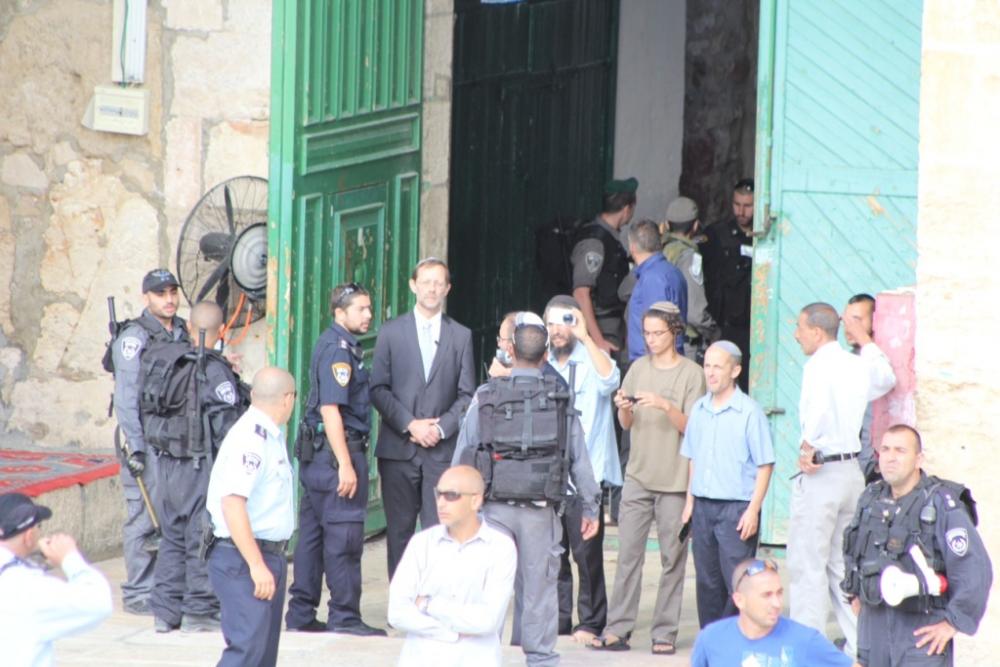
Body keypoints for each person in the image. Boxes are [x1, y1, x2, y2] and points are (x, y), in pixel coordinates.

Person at [453, 311, 601, 667]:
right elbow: (579, 460)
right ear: (545, 355)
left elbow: (463, 455)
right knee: (539, 587)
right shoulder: (560, 399)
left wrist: (455, 504)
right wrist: (591, 508)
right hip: (540, 510)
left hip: (492, 510)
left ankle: (478, 654)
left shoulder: (486, 396)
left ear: (510, 352)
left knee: (486, 585)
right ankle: (540, 657)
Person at [592, 301, 705, 655]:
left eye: (658, 333)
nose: (651, 339)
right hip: (638, 477)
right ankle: (618, 628)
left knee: (673, 559)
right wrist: (624, 409)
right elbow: (626, 424)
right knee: (628, 555)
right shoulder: (638, 368)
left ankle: (664, 632)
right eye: (646, 333)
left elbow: (694, 429)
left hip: (675, 481)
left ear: (674, 332)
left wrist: (665, 405)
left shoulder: (692, 374)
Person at [842, 425, 992, 667]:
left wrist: (953, 622)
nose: (890, 457)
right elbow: (851, 550)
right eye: (885, 449)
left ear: (918, 459)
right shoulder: (870, 499)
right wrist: (853, 595)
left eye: (900, 450)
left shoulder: (940, 504)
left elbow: (973, 568)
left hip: (919, 634)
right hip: (873, 633)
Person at [285, 283, 386, 636]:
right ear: (340, 313)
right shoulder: (339, 352)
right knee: (344, 538)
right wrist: (345, 463)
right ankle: (344, 616)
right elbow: (331, 410)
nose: (368, 315)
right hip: (334, 458)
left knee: (312, 538)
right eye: (361, 309)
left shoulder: (336, 344)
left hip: (318, 459)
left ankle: (301, 614)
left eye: (369, 308)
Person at [371, 258, 476, 580]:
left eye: (438, 283)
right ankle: (402, 599)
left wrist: (441, 428)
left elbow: (467, 395)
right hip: (398, 450)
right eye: (426, 282)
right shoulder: (391, 332)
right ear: (413, 285)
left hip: (441, 453)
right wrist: (411, 424)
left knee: (441, 530)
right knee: (399, 532)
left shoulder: (461, 336)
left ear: (447, 289)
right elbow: (378, 389)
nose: (432, 288)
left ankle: (437, 598)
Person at [789, 302, 882, 656]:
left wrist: (808, 445)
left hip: (823, 470)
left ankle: (806, 650)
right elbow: (885, 379)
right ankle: (862, 648)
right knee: (843, 565)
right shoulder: (857, 364)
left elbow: (818, 410)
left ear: (816, 332)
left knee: (808, 565)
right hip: (851, 471)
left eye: (800, 328)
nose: (796, 335)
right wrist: (868, 343)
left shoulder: (817, 366)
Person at [151, 300, 246, 633]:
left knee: (172, 537)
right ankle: (200, 610)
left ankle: (165, 612)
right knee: (201, 537)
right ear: (222, 331)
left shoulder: (169, 360)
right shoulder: (214, 370)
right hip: (199, 465)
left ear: (189, 327)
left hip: (166, 464)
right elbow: (227, 425)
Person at [111, 268, 190, 615]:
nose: (169, 300)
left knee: (173, 515)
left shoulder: (182, 330)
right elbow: (126, 398)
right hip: (145, 439)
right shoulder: (135, 337)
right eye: (161, 294)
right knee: (143, 517)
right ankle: (139, 591)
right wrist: (137, 447)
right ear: (146, 297)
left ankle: (166, 587)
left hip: (174, 439)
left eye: (173, 292)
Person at [206, 367, 297, 667]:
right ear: (288, 399)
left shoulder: (268, 434)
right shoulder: (251, 438)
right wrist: (257, 565)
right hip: (244, 558)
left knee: (262, 655)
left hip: (265, 555)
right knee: (247, 651)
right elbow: (233, 504)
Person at [680, 340, 775, 627]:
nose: (710, 373)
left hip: (736, 510)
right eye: (707, 366)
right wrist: (689, 502)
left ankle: (736, 640)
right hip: (703, 508)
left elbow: (765, 464)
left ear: (735, 371)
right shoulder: (699, 409)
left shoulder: (749, 412)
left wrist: (753, 510)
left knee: (737, 580)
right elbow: (693, 458)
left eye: (718, 367)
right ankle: (712, 639)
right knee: (706, 581)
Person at [544, 296, 621, 643]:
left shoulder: (592, 358)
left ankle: (590, 619)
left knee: (586, 553)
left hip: (586, 476)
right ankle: (560, 618)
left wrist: (587, 336)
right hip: (551, 474)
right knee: (554, 552)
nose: (558, 330)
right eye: (551, 323)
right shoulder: (542, 361)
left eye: (565, 321)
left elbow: (610, 381)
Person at [387, 465, 517, 667]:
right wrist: (450, 633)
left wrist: (428, 605)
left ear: (475, 500)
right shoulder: (421, 543)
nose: (441, 503)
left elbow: (488, 621)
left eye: (451, 496)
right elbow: (397, 613)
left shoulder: (501, 547)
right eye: (438, 494)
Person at [0, 493, 112, 667]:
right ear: (29, 536)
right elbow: (99, 602)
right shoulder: (26, 587)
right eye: (39, 526)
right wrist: (70, 558)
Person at [691, 559, 858, 667]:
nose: (777, 603)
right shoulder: (711, 638)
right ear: (739, 600)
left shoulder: (805, 640)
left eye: (779, 593)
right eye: (766, 595)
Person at [571, 177, 638, 358]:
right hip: (600, 330)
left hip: (610, 327)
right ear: (627, 209)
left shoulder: (610, 238)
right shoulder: (595, 242)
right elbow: (581, 293)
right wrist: (598, 341)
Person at [700, 178, 754, 391]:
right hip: (726, 324)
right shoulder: (717, 234)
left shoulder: (764, 236)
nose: (741, 211)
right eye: (737, 204)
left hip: (754, 323)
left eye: (748, 206)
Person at [842, 293, 896, 482]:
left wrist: (864, 339)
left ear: (875, 321)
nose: (850, 327)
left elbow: (884, 380)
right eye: (847, 321)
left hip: (874, 462)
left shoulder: (882, 358)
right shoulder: (847, 360)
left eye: (857, 320)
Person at [661, 196, 719, 360]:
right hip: (684, 344)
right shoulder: (689, 257)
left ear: (667, 225)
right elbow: (695, 314)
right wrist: (713, 331)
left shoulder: (657, 251)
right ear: (695, 225)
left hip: (658, 338)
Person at [627, 218, 687, 359]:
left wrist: (654, 365)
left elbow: (657, 329)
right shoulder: (671, 271)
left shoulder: (653, 278)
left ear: (632, 248)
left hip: (653, 362)